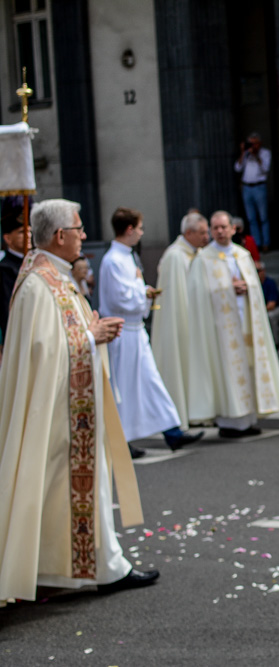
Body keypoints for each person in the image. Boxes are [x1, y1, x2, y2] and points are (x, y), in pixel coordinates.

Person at [0, 199, 158, 605]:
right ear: (60, 235)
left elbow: (61, 336)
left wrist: (91, 330)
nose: (84, 235)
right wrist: (92, 336)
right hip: (57, 412)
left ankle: (101, 567)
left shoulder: (56, 275)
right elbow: (43, 351)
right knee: (58, 489)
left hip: (74, 407)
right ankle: (70, 571)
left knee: (84, 490)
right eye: (79, 228)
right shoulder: (39, 283)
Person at [98, 206, 203, 454]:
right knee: (123, 387)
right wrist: (141, 290)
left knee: (151, 380)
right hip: (122, 331)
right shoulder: (113, 260)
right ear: (129, 229)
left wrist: (142, 291)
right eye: (140, 228)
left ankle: (172, 432)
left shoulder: (127, 256)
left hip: (135, 329)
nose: (142, 233)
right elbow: (120, 298)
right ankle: (121, 442)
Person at [186, 210, 279, 438]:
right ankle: (230, 421)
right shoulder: (203, 259)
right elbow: (197, 295)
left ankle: (248, 419)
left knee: (249, 367)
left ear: (233, 229)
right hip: (221, 327)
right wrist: (228, 288)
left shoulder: (242, 255)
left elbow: (256, 288)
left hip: (247, 321)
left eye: (223, 227)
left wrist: (247, 287)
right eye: (215, 228)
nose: (220, 231)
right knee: (227, 370)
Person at [150, 211, 210, 431]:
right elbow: (177, 298)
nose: (206, 237)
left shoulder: (198, 253)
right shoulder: (175, 256)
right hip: (182, 323)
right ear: (188, 233)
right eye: (202, 232)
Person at [0, 198, 31, 349]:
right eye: (22, 232)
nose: (28, 235)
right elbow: (7, 312)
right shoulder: (4, 269)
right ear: (7, 238)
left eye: (30, 231)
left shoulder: (36, 263)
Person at [234, 132, 272, 251]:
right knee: (251, 219)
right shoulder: (246, 154)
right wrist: (243, 152)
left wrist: (255, 155)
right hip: (247, 188)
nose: (252, 146)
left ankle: (266, 243)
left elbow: (265, 168)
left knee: (263, 217)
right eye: (250, 143)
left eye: (255, 143)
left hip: (259, 187)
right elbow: (237, 168)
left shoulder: (265, 153)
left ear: (259, 143)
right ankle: (257, 244)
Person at [256, 260, 279, 347]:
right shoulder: (253, 284)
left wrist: (258, 312)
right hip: (262, 309)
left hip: (277, 308)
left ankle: (275, 343)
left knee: (269, 316)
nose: (256, 273)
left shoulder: (270, 283)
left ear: (264, 271)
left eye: (258, 270)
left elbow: (271, 305)